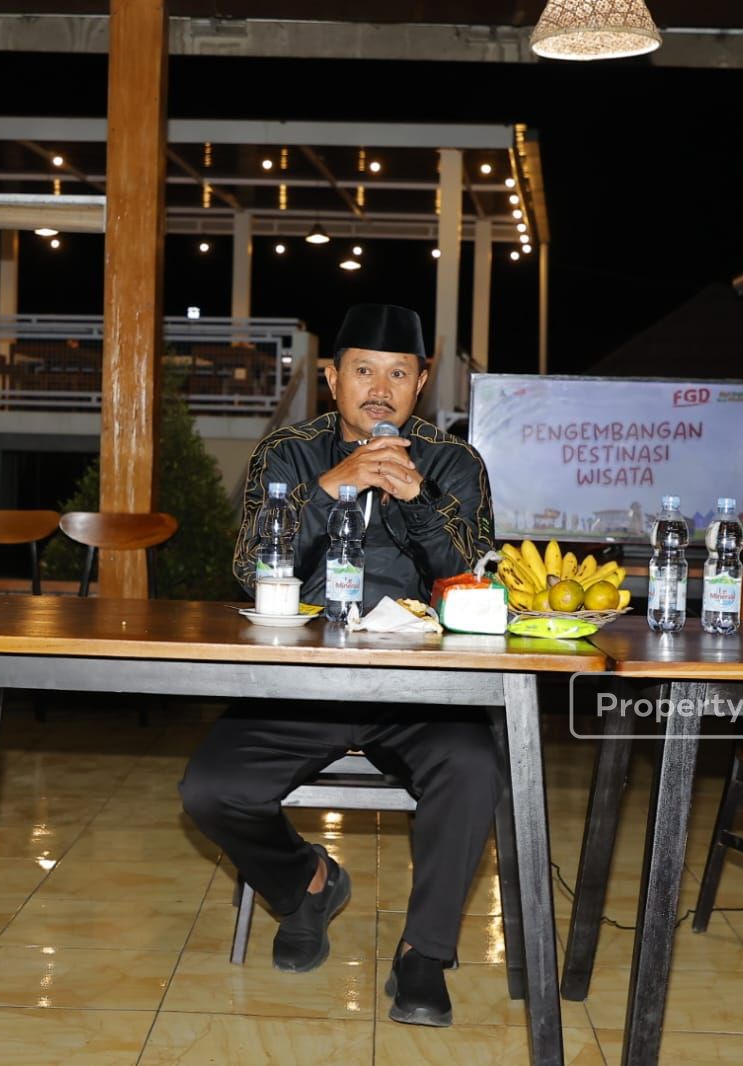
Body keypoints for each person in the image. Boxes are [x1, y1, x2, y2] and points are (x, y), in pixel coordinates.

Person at [180, 304, 498, 1028]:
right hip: (300, 683)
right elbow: (247, 569)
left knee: (475, 767)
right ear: (331, 378)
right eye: (363, 371)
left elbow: (476, 578)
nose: (379, 390)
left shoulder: (454, 461)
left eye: (398, 375)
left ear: (421, 383)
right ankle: (307, 886)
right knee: (211, 789)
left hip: (422, 690)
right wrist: (332, 488)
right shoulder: (290, 452)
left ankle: (424, 953)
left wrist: (418, 500)